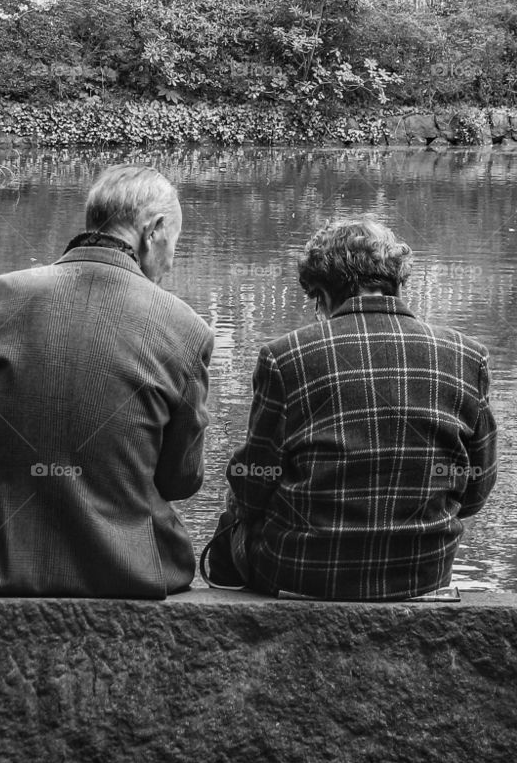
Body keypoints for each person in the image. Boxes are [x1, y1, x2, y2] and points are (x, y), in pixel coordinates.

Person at [0, 164, 214, 597]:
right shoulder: (186, 329)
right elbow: (180, 480)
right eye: (174, 243)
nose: (171, 262)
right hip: (128, 571)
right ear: (152, 230)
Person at [204, 216, 497, 599]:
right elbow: (476, 490)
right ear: (395, 282)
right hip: (421, 574)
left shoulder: (285, 357)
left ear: (323, 294)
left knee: (240, 487)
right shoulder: (467, 357)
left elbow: (254, 486)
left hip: (303, 572)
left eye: (315, 303)